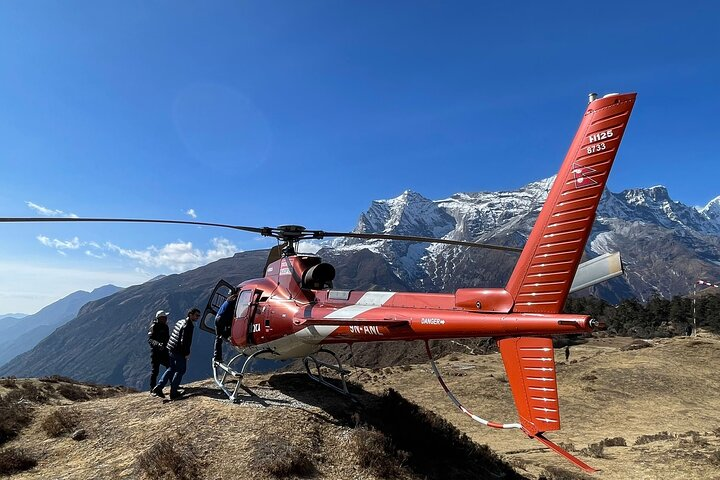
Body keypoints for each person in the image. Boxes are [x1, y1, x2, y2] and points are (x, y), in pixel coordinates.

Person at [152, 308, 201, 400]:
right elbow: (184, 341)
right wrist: (186, 353)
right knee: (181, 370)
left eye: (199, 315)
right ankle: (173, 393)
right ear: (190, 314)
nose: (198, 317)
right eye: (196, 315)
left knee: (172, 368)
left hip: (171, 348)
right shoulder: (188, 326)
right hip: (179, 351)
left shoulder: (180, 321)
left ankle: (159, 387)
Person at [147, 310, 170, 392]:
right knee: (155, 371)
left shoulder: (165, 326)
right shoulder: (154, 327)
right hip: (156, 353)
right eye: (164, 317)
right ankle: (152, 388)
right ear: (160, 318)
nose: (166, 318)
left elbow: (167, 338)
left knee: (170, 367)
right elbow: (150, 340)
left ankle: (173, 385)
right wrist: (158, 344)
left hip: (165, 351)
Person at [213, 292, 238, 363]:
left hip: (217, 319)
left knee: (218, 338)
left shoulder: (228, 300)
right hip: (223, 318)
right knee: (231, 329)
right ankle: (226, 336)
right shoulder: (235, 299)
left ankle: (217, 357)